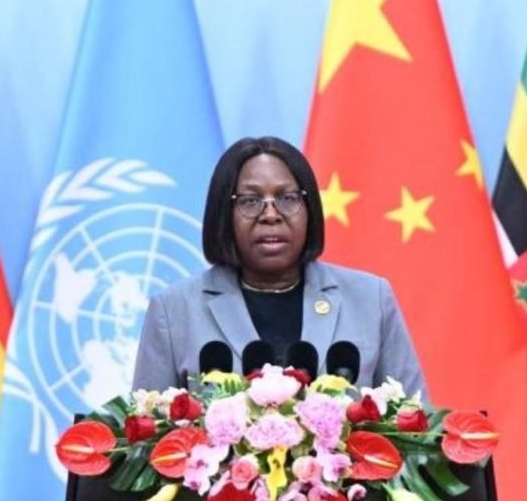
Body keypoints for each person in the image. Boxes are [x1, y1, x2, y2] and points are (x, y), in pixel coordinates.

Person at [131, 136, 426, 397]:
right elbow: (144, 443)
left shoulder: (370, 299)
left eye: (287, 199)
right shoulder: (174, 311)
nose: (270, 214)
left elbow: (417, 430)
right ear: (224, 212)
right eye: (250, 201)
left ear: (309, 209)